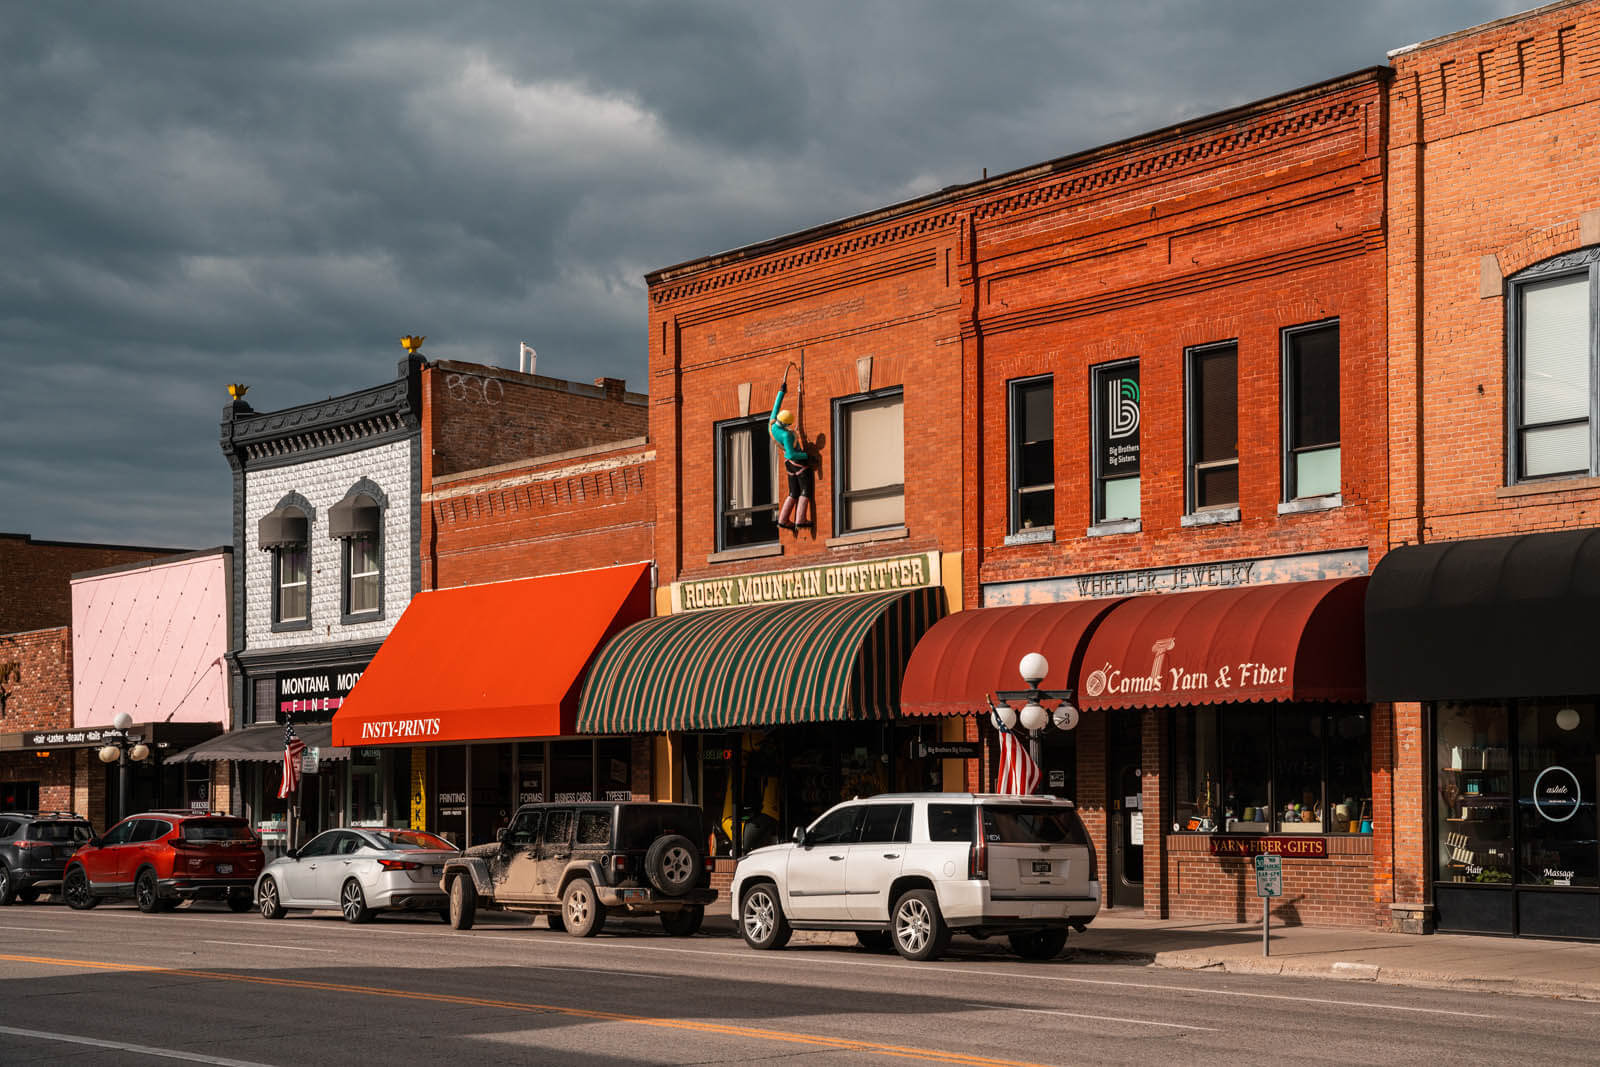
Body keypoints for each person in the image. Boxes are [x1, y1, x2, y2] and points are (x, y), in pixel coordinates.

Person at [770, 367, 812, 530]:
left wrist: (782, 391)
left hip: (788, 464)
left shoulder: (772, 425)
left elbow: (776, 405)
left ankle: (783, 520)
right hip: (796, 462)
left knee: (792, 492)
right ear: (787, 424)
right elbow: (791, 452)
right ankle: (800, 519)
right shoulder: (787, 436)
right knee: (804, 491)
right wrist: (806, 455)